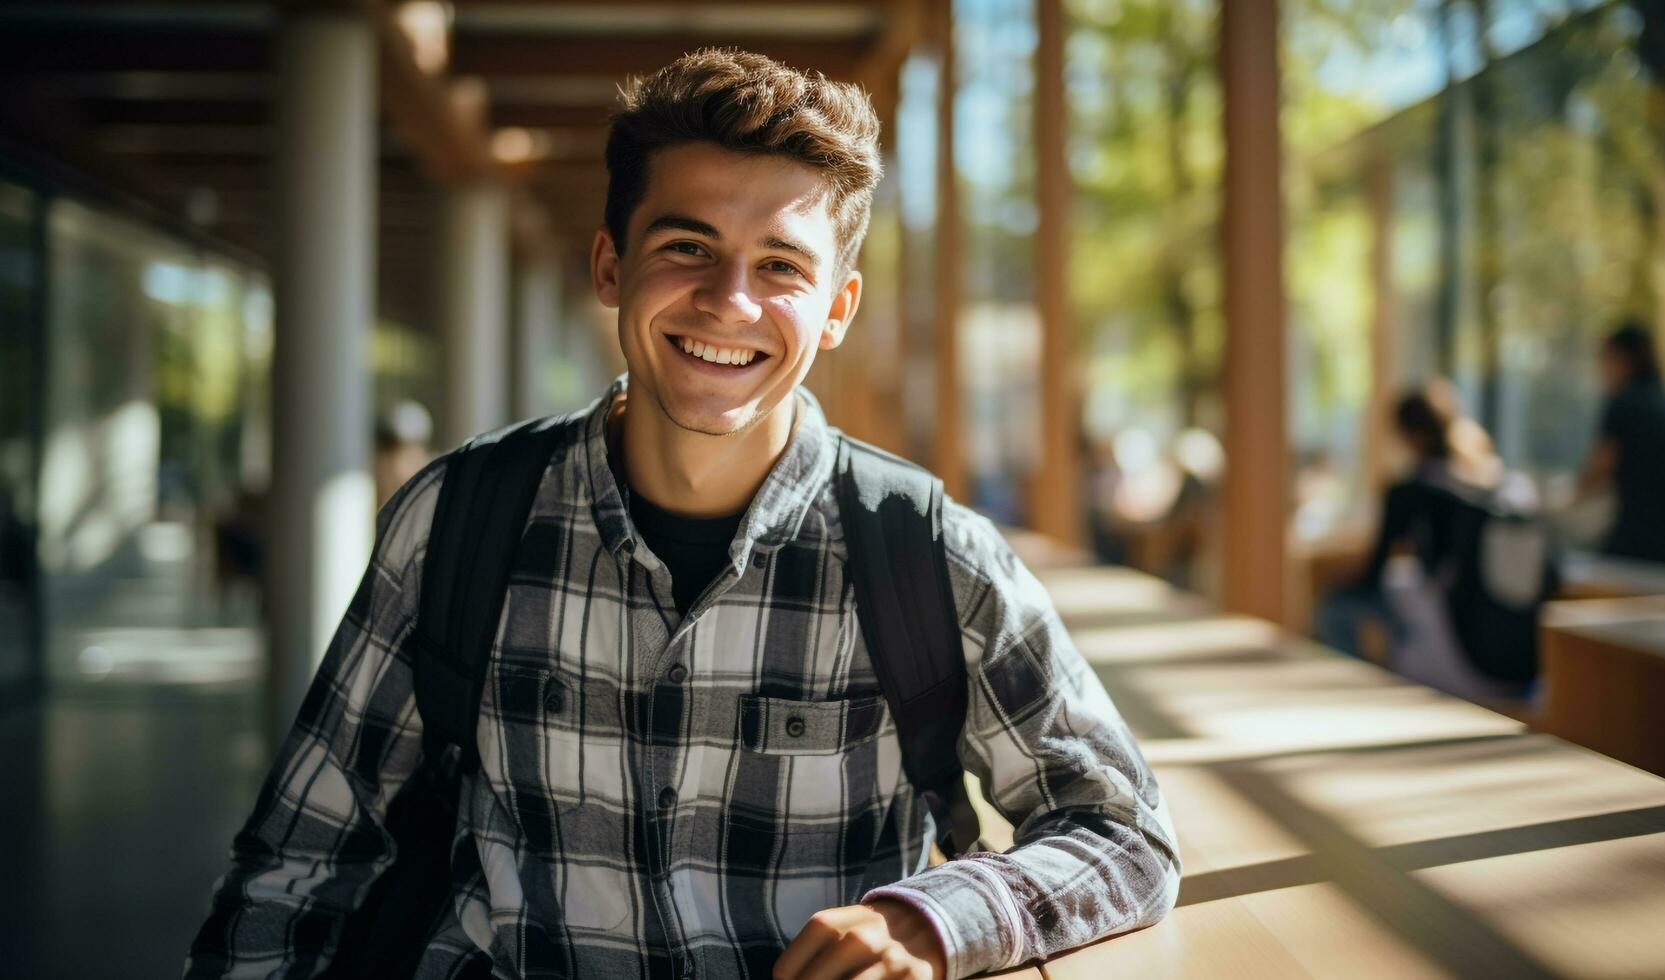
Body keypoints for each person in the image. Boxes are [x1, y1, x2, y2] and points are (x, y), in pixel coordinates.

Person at [186, 50, 1179, 980]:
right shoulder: (454, 522)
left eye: (781, 266)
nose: (728, 301)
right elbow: (297, 864)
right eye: (687, 245)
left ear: (836, 306)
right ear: (610, 265)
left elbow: (1123, 830)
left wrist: (929, 916)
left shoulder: (926, 553)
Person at [1315, 388, 1532, 698]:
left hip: (1455, 643)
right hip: (1513, 656)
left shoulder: (1411, 490)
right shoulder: (1491, 480)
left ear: (1407, 435)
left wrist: (1337, 577)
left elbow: (1374, 572)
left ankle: (1360, 697)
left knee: (1336, 608)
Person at [1578, 321, 1665, 564]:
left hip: (1635, 544)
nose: (1602, 370)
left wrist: (1557, 503)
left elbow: (1596, 474)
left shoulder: (1625, 405)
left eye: (1606, 359)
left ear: (1622, 359)